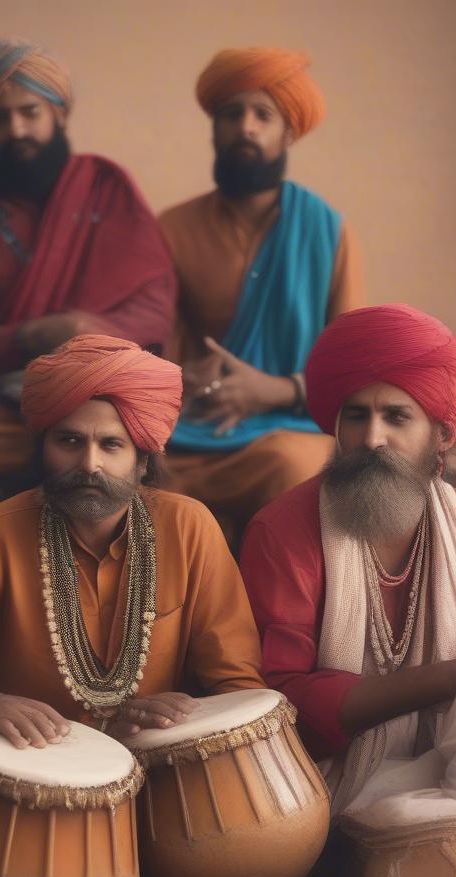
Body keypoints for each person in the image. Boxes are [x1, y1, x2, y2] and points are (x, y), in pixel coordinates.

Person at [240, 304, 456, 852]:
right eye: (355, 415)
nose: (371, 437)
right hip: (335, 773)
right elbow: (279, 700)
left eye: (397, 417)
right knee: (423, 810)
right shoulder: (283, 529)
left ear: (440, 434)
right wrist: (453, 676)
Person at [0, 335, 263, 745]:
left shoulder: (189, 527)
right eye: (70, 441)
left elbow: (238, 682)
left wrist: (188, 713)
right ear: (42, 448)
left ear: (143, 459)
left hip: (165, 763)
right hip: (38, 765)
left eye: (111, 444)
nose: (89, 464)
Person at [0, 39, 176, 489]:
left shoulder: (107, 193)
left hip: (111, 395)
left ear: (59, 114)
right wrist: (25, 338)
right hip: (16, 404)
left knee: (157, 438)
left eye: (30, 112)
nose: (16, 129)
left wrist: (85, 334)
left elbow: (157, 311)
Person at [161, 48, 364, 541]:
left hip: (283, 433)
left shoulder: (327, 231)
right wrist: (190, 379)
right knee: (136, 472)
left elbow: (355, 366)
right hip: (192, 431)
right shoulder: (170, 229)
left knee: (293, 466)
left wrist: (277, 390)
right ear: (214, 127)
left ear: (288, 132)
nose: (246, 127)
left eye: (263, 115)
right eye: (232, 114)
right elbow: (153, 349)